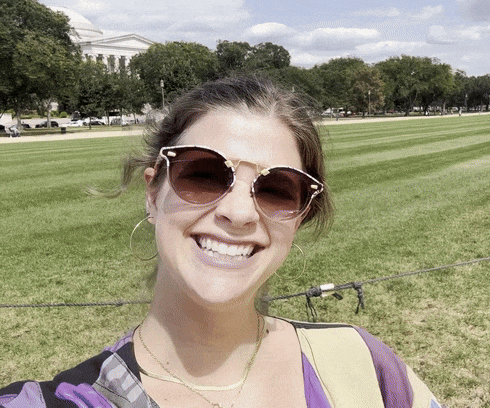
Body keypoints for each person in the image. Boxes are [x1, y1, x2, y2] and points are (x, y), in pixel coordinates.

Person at [0, 76, 441, 408]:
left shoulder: (364, 365)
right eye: (204, 174)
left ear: (300, 216)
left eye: (277, 189)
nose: (239, 212)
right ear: (152, 194)